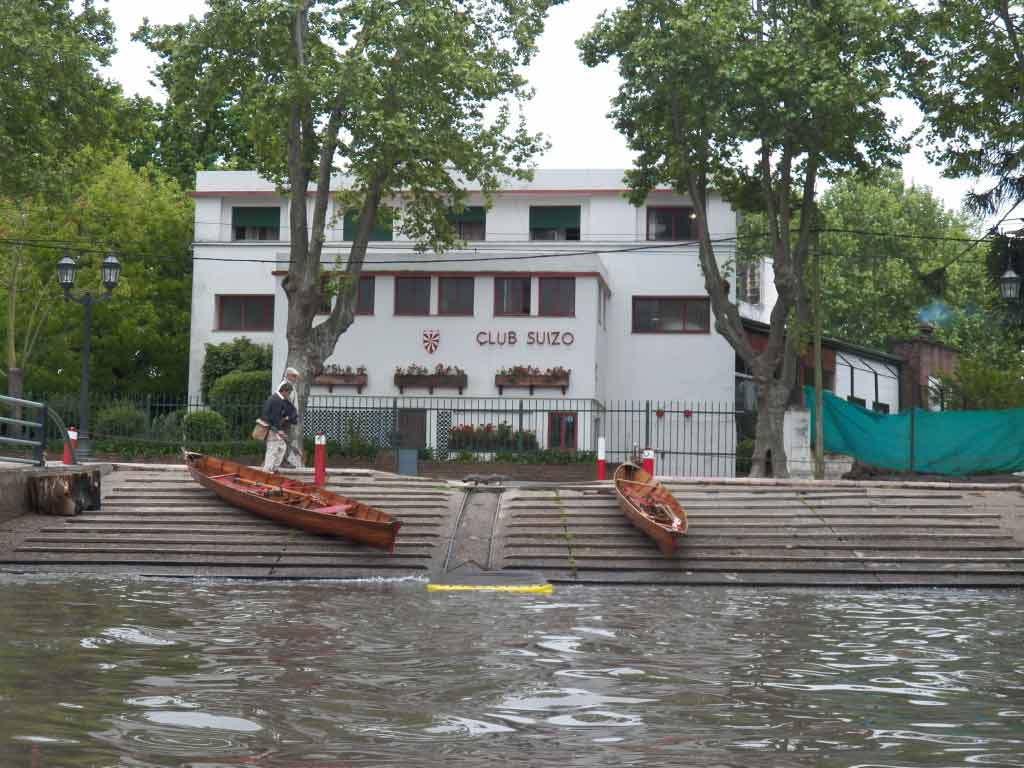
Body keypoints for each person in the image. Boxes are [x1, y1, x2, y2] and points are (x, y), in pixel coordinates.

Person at [261, 381, 299, 473]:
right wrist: (279, 430)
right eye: (289, 393)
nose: (289, 395)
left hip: (272, 427)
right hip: (272, 429)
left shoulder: (275, 398)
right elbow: (275, 416)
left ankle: (273, 468)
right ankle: (267, 471)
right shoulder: (277, 400)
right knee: (272, 449)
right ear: (284, 391)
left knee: (282, 447)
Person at [276, 366, 304, 467]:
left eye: (295, 376)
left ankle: (283, 460)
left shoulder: (288, 385)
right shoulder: (285, 386)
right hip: (285, 418)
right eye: (294, 376)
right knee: (285, 439)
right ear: (288, 375)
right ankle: (282, 461)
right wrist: (287, 417)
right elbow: (283, 402)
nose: (295, 378)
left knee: (287, 439)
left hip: (288, 418)